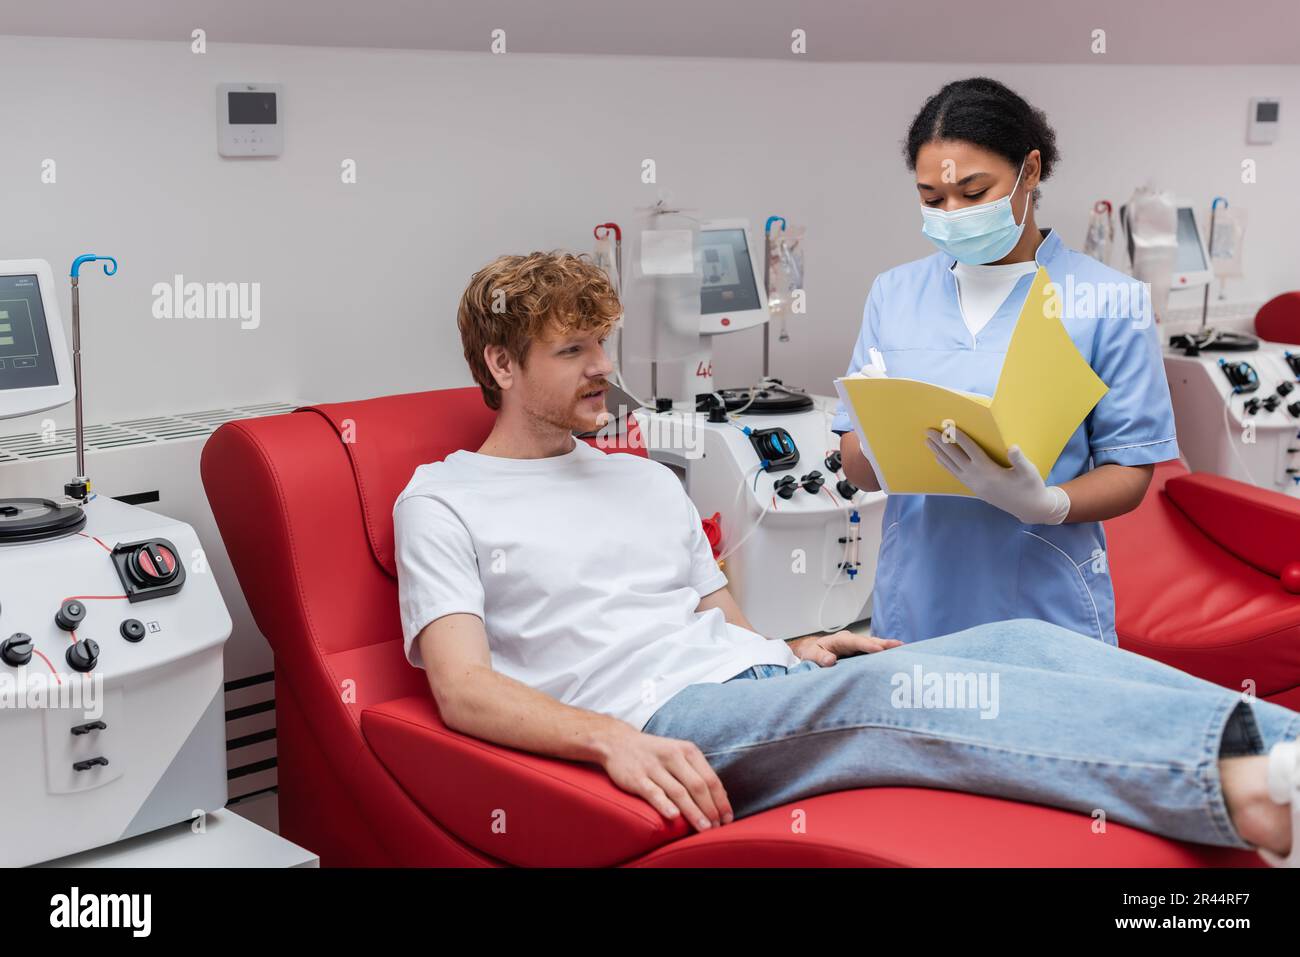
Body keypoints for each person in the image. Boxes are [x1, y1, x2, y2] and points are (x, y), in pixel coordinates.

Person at [392, 251, 1298, 866]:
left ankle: (1287, 752)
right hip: (663, 722)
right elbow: (462, 687)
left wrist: (797, 650)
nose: (603, 368)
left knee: (1021, 642)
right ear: (502, 364)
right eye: (572, 351)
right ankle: (1257, 793)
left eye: (604, 344)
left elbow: (718, 616)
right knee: (907, 699)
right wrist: (613, 739)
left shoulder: (641, 479)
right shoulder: (443, 499)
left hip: (753, 684)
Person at [830, 77, 1177, 646]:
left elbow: (1131, 470)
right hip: (917, 604)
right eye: (932, 198)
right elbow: (860, 472)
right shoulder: (893, 295)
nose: (952, 213)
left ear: (1030, 171)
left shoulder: (1109, 301)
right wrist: (870, 434)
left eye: (974, 192)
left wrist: (1047, 504)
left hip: (1045, 606)